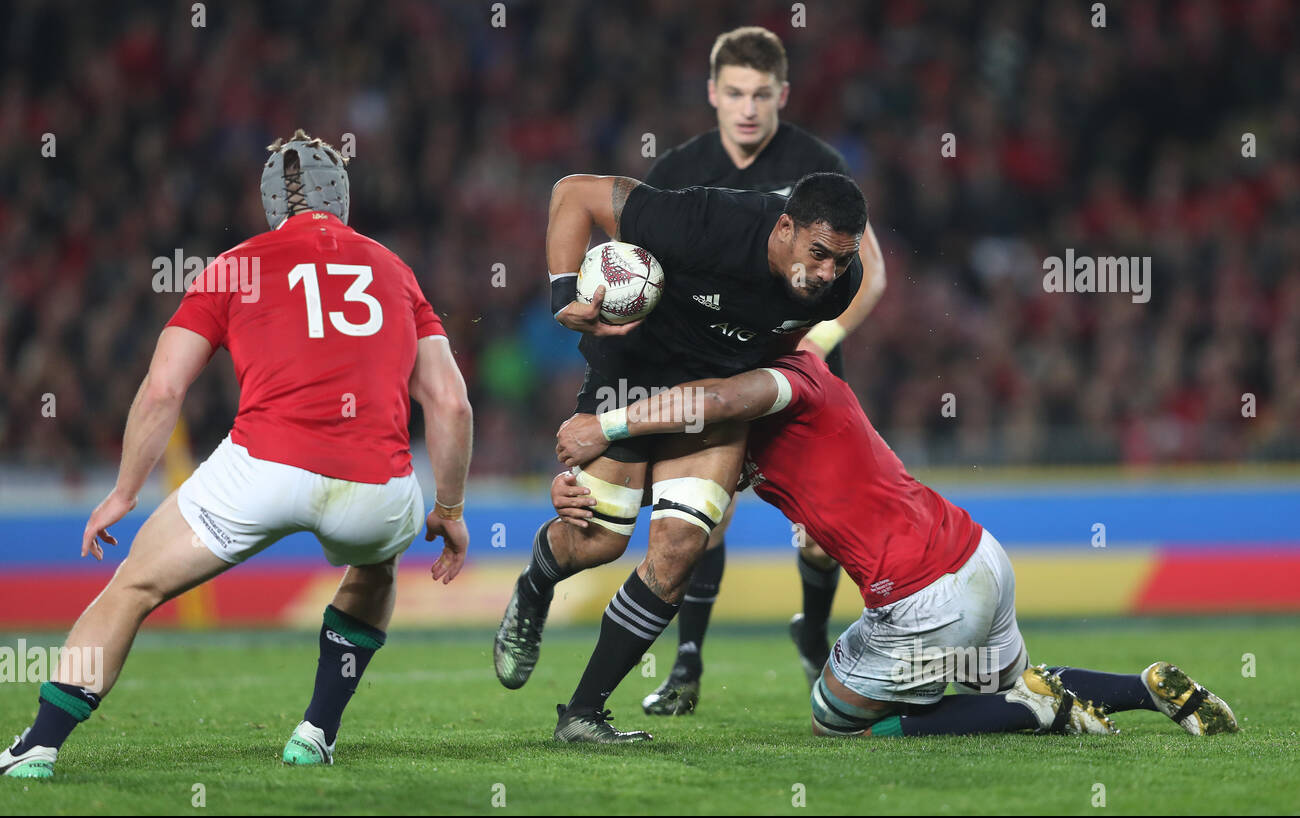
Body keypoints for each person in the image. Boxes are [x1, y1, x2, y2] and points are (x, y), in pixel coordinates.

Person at [0, 130, 473, 779]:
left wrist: (124, 492)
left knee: (132, 587)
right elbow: (450, 402)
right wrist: (449, 507)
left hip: (261, 468)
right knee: (375, 568)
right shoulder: (394, 271)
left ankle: (40, 745)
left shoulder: (234, 265)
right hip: (375, 482)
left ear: (271, 203)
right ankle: (315, 731)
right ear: (344, 197)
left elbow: (165, 387)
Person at [551, 351, 1239, 738]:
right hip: (977, 555)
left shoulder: (786, 381)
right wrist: (583, 493)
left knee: (834, 718)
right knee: (988, 680)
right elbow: (688, 502)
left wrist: (606, 425)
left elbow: (723, 405)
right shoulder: (800, 395)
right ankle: (1148, 690)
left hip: (922, 593)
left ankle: (1034, 712)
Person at [495, 171, 867, 742]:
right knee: (598, 541)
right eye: (818, 255)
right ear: (785, 226)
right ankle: (535, 585)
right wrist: (561, 293)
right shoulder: (704, 222)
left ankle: (582, 713)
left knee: (678, 549)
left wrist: (758, 435)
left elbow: (785, 347)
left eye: (840, 261)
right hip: (632, 379)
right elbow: (574, 192)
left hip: (713, 402)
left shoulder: (840, 284)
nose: (826, 274)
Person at [639, 26, 887, 716]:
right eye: (735, 93)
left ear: (782, 94)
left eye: (761, 95)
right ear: (713, 93)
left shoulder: (817, 163)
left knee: (821, 531)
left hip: (801, 375)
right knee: (702, 514)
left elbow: (873, 271)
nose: (748, 109)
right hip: (716, 371)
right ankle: (686, 664)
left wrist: (823, 337)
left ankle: (811, 630)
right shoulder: (679, 170)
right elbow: (647, 267)